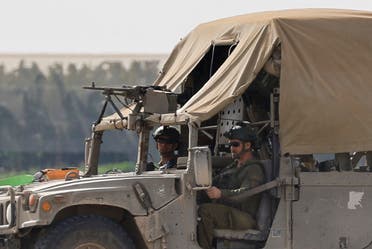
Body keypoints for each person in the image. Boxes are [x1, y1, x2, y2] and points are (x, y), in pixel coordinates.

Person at [197, 123, 265, 249]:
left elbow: (246, 193)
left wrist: (221, 194)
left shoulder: (254, 169)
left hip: (244, 216)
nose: (231, 148)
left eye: (235, 144)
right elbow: (217, 180)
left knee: (206, 211)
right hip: (230, 210)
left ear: (248, 145)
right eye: (230, 145)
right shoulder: (234, 165)